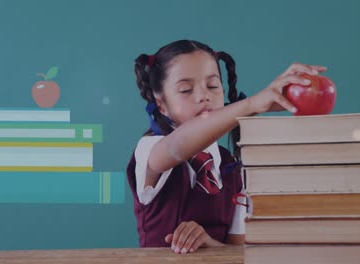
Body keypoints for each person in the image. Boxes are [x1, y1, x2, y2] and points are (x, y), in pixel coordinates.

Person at [126, 39, 326, 254]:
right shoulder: (150, 148)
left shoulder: (233, 168)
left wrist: (209, 244)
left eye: (212, 86)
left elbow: (238, 254)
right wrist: (252, 104)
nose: (204, 95)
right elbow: (177, 147)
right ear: (161, 105)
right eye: (185, 90)